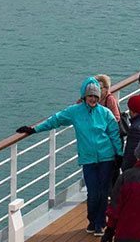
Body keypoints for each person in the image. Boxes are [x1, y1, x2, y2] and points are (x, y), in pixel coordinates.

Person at [16, 77, 126, 233]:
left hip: (106, 157)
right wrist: (34, 129)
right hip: (88, 159)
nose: (93, 99)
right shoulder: (75, 112)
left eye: (96, 96)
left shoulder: (105, 113)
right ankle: (92, 220)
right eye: (90, 96)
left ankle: (100, 224)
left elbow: (114, 134)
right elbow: (56, 120)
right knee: (93, 192)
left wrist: (119, 154)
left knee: (102, 192)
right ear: (84, 96)